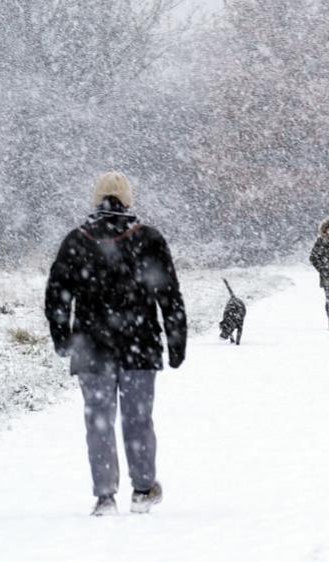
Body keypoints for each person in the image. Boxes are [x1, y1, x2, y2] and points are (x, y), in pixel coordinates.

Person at [45, 171, 187, 516]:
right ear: (128, 200)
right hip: (139, 344)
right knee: (138, 419)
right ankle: (142, 489)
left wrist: (63, 337)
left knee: (99, 421)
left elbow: (57, 295)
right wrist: (175, 339)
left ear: (96, 200)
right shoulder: (148, 239)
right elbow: (168, 294)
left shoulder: (77, 240)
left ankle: (105, 495)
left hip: (92, 348)